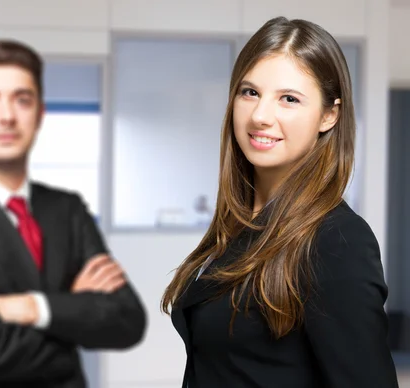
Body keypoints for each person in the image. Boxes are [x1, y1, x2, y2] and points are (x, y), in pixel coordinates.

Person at [161, 16, 399, 388]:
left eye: (288, 99)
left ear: (329, 115)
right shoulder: (242, 221)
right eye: (250, 92)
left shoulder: (337, 241)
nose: (260, 116)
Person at [0, 39, 147, 388]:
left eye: (22, 99)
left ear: (40, 114)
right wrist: (71, 312)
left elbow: (127, 323)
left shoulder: (67, 209)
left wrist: (31, 308)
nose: (7, 116)